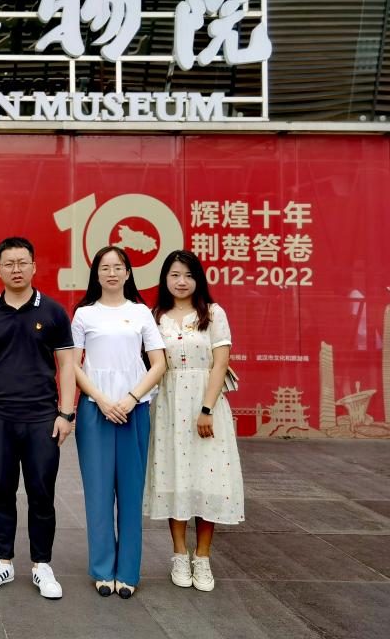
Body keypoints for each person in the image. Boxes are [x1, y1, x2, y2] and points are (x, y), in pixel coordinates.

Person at [0, 237, 77, 599]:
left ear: (33, 267)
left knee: (41, 493)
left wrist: (66, 413)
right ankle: (3, 562)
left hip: (42, 417)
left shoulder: (54, 312)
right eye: (9, 263)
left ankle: (42, 565)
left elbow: (67, 364)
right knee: (1, 491)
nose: (16, 269)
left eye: (22, 262)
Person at [146, 250, 244, 592]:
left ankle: (203, 557)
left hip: (206, 406)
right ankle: (179, 554)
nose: (181, 281)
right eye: (174, 275)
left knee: (208, 479)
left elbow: (220, 364)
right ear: (165, 279)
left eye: (188, 275)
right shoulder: (155, 317)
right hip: (169, 407)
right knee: (176, 477)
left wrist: (207, 408)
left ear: (198, 279)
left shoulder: (213, 314)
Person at [71, 246, 166, 599]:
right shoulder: (84, 314)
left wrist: (130, 397)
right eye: (105, 267)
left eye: (118, 267)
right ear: (96, 274)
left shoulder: (141, 313)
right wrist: (100, 398)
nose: (111, 273)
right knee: (97, 494)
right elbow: (72, 365)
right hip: (95, 411)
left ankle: (127, 572)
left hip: (133, 411)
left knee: (130, 493)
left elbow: (159, 363)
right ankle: (102, 570)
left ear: (128, 272)